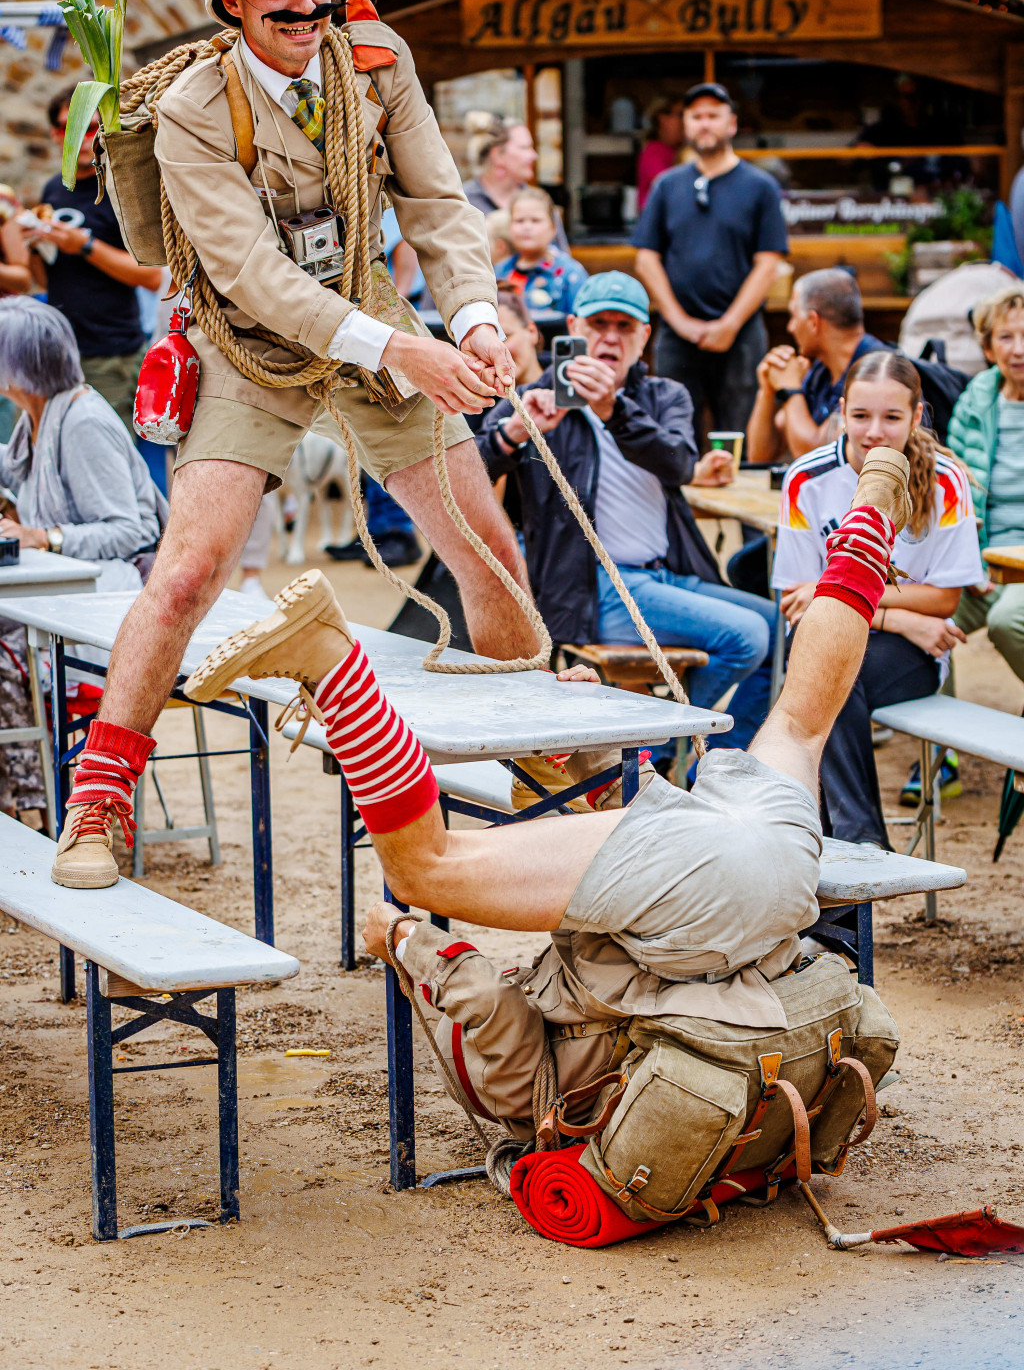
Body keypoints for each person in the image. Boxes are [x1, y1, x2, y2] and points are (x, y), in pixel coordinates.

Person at [179, 444, 914, 1136]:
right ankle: (332, 665)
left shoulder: (637, 1061)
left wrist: (588, 750)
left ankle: (873, 504)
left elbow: (650, 863)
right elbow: (491, 1009)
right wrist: (402, 938)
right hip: (715, 903)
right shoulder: (538, 1109)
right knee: (419, 869)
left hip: (779, 883)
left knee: (801, 718)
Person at [49, 0, 542, 890]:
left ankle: (530, 741)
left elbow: (441, 209)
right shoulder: (190, 108)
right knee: (187, 570)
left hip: (376, 313)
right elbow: (254, 278)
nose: (305, 4)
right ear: (229, 0)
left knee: (486, 546)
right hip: (251, 343)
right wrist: (400, 349)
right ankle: (98, 799)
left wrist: (479, 320)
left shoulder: (375, 58)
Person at [477, 271, 777, 761]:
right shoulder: (536, 396)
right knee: (748, 636)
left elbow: (679, 463)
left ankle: (717, 761)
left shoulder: (664, 396)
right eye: (598, 323)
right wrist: (515, 430)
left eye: (624, 326)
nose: (610, 337)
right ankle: (660, 751)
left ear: (645, 336)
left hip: (668, 577)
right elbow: (475, 465)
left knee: (783, 633)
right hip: (592, 588)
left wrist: (613, 408)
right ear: (573, 327)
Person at [773, 351, 981, 846]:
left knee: (828, 672)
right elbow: (794, 600)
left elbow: (946, 599)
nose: (875, 433)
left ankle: (845, 843)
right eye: (861, 416)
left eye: (892, 418)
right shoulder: (806, 478)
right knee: (826, 664)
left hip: (913, 656)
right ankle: (857, 845)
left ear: (916, 415)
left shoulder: (947, 481)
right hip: (865, 636)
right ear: (841, 411)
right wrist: (901, 618)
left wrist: (869, 610)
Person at [0, 299, 167, 821]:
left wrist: (44, 536)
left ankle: (34, 800)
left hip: (110, 602)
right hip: (62, 595)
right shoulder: (35, 418)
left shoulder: (81, 421)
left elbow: (132, 530)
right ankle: (26, 795)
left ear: (19, 366)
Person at [633, 82, 788, 440]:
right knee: (674, 436)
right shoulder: (667, 186)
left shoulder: (759, 186)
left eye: (713, 116)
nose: (704, 124)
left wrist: (730, 324)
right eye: (696, 116)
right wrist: (680, 321)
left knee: (740, 438)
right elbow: (646, 259)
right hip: (677, 334)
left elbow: (768, 263)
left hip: (741, 334)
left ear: (731, 124)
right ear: (686, 124)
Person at [21, 88, 164, 429]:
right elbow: (43, 280)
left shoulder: (123, 187)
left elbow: (152, 277)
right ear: (57, 135)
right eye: (69, 127)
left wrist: (84, 246)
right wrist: (33, 245)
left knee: (105, 459)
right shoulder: (54, 189)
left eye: (89, 127)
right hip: (60, 349)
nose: (82, 138)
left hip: (110, 352)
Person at [947, 282, 1024, 691]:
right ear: (989, 348)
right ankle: (941, 748)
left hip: (1023, 569)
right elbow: (956, 496)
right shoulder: (974, 401)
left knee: (1008, 621)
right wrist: (969, 564)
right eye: (1006, 337)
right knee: (924, 621)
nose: (1019, 349)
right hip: (982, 565)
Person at [746, 269, 887, 464]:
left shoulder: (876, 372)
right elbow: (760, 456)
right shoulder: (821, 371)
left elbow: (816, 461)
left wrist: (790, 390)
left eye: (794, 316)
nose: (790, 327)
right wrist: (768, 392)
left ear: (813, 321)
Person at [462, 113, 570, 250]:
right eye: (525, 148)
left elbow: (563, 258)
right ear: (498, 155)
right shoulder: (464, 201)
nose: (534, 156)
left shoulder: (539, 201)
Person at [494, 188, 587, 314]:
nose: (527, 227)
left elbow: (580, 322)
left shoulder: (570, 274)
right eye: (519, 220)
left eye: (535, 220)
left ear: (553, 228)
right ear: (510, 227)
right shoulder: (499, 271)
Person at [636, 93, 684, 211]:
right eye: (680, 115)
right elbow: (671, 189)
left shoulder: (675, 150)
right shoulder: (653, 152)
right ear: (662, 118)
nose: (685, 121)